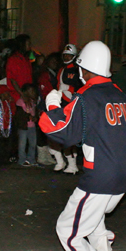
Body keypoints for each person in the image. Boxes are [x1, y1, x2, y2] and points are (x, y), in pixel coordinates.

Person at [39, 41, 126, 251]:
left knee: (68, 231)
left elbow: (60, 130)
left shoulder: (87, 97)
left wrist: (52, 104)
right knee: (94, 224)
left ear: (85, 68)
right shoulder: (119, 93)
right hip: (123, 177)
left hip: (101, 177)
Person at [54, 43, 83, 174]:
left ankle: (72, 164)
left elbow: (81, 88)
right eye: (64, 55)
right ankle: (65, 163)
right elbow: (58, 85)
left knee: (70, 136)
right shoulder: (61, 70)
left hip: (73, 104)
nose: (66, 57)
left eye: (69, 55)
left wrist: (70, 89)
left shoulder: (78, 70)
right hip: (62, 103)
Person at [15, 83, 38, 166]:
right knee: (22, 144)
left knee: (32, 144)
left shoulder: (32, 102)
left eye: (33, 91)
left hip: (32, 126)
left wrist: (35, 117)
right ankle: (21, 160)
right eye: (31, 91)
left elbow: (34, 112)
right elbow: (19, 114)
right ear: (25, 92)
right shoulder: (20, 101)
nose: (33, 93)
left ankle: (31, 159)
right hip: (23, 126)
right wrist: (29, 117)